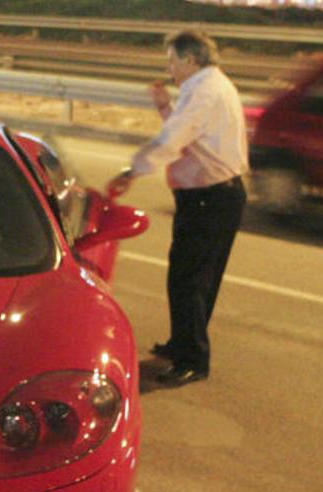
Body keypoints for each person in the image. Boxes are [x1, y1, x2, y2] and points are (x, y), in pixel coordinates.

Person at [106, 31, 249, 387]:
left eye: (172, 60)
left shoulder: (203, 91)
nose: (169, 68)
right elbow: (188, 132)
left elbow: (173, 139)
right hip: (217, 195)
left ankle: (192, 360)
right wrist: (164, 105)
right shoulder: (210, 86)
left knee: (187, 279)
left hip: (209, 197)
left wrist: (132, 171)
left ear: (190, 59)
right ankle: (183, 344)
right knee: (199, 279)